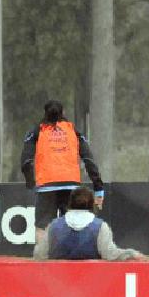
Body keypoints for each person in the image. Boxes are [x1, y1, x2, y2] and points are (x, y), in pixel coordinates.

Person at [21, 100, 104, 245]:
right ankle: (72, 260)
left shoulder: (37, 131)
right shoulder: (73, 130)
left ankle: (44, 261)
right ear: (63, 113)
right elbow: (89, 160)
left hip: (46, 185)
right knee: (74, 226)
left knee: (42, 227)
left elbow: (26, 161)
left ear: (45, 113)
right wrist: (98, 188)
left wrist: (30, 182)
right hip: (70, 186)